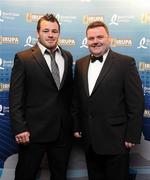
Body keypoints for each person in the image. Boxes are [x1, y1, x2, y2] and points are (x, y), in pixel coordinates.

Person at [72, 21, 144, 180]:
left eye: (100, 37)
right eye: (91, 38)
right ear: (87, 41)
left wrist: (132, 135)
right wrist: (77, 126)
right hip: (89, 140)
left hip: (116, 139)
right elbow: (77, 99)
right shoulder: (80, 64)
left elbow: (136, 102)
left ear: (109, 38)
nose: (95, 41)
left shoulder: (125, 63)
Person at [9, 13, 73, 180]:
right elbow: (15, 97)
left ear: (59, 33)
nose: (50, 35)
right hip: (33, 133)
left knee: (60, 175)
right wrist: (20, 128)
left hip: (62, 133)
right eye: (46, 30)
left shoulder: (67, 56)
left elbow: (67, 94)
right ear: (38, 33)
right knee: (25, 175)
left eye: (54, 31)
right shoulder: (23, 58)